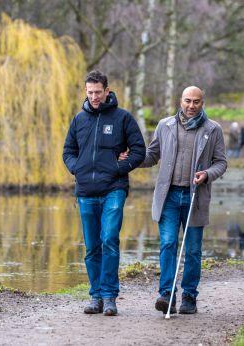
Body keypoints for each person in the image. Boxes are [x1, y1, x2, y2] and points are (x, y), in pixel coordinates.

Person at [122, 86, 227, 314]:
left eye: (196, 102)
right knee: (168, 244)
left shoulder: (213, 130)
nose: (191, 106)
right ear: (180, 101)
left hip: (195, 197)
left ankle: (189, 297)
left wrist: (208, 174)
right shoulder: (165, 125)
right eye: (187, 101)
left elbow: (221, 162)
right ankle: (167, 294)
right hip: (168, 196)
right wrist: (131, 158)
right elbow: (152, 155)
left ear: (202, 103)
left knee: (192, 250)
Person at [63, 70, 145, 316]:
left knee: (109, 239)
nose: (94, 97)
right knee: (91, 246)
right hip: (86, 191)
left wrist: (119, 168)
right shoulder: (79, 120)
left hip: (113, 189)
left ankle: (110, 297)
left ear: (107, 91)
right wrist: (77, 168)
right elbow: (68, 150)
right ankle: (96, 296)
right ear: (85, 92)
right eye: (90, 92)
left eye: (98, 92)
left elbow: (139, 150)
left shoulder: (122, 118)